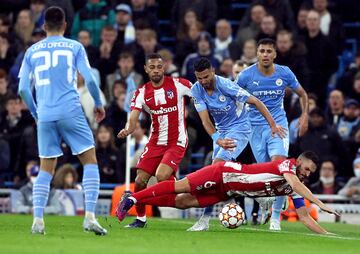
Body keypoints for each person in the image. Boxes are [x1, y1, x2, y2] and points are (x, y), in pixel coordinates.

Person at [18, 7, 107, 235]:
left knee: (46, 168)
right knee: (89, 160)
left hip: (46, 114)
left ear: (44, 26)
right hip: (70, 111)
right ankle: (89, 217)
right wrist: (98, 103)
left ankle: (38, 221)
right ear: (65, 25)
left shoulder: (32, 51)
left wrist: (37, 115)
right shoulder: (74, 46)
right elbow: (90, 80)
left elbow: (22, 90)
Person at [116, 151, 339, 234]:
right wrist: (319, 202)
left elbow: (303, 216)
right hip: (223, 173)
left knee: (183, 202)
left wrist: (327, 235)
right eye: (306, 168)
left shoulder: (295, 183)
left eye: (311, 172)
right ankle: (133, 197)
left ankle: (137, 198)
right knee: (179, 186)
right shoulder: (287, 166)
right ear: (299, 161)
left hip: (228, 191)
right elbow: (295, 183)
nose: (307, 173)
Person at [188, 57, 286, 231]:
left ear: (213, 71)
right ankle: (260, 196)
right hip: (221, 133)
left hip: (240, 128)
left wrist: (272, 124)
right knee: (215, 176)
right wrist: (217, 138)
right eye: (199, 78)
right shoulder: (196, 90)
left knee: (215, 170)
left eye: (206, 77)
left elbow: (256, 101)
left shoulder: (226, 86)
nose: (203, 81)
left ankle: (204, 220)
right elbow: (205, 121)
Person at [235, 38, 309, 231]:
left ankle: (276, 218)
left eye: (269, 51)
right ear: (257, 53)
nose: (265, 54)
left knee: (280, 166)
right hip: (255, 130)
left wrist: (304, 116)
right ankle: (268, 205)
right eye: (262, 51)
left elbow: (302, 94)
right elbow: (233, 98)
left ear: (275, 54)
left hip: (279, 127)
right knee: (266, 174)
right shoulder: (245, 76)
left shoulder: (284, 73)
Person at [117, 53, 192, 228]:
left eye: (159, 67)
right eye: (152, 67)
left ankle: (187, 188)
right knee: (140, 180)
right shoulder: (142, 92)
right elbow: (134, 115)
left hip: (176, 141)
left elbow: (200, 93)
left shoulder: (178, 84)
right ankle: (141, 219)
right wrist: (129, 129)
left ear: (164, 67)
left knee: (161, 176)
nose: (156, 70)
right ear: (146, 69)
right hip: (156, 141)